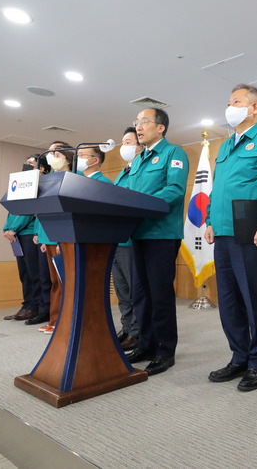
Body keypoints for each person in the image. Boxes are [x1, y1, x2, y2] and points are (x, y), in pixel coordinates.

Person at [205, 84, 257, 392]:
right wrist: (211, 220)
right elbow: (217, 189)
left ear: (253, 108)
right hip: (223, 233)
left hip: (251, 233)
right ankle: (239, 355)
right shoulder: (225, 146)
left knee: (255, 300)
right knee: (228, 301)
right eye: (229, 101)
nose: (230, 106)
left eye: (236, 101)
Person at [126, 108, 189, 376]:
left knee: (160, 294)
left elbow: (174, 190)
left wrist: (140, 206)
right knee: (140, 294)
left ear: (160, 127)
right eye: (136, 123)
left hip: (161, 234)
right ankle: (146, 343)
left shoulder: (174, 153)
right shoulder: (139, 160)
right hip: (137, 234)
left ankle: (165, 350)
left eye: (144, 122)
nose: (138, 127)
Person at [31, 141, 74, 333]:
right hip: (48, 238)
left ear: (67, 156)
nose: (51, 157)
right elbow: (44, 212)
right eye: (49, 153)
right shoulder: (48, 179)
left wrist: (60, 239)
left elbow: (68, 211)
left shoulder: (74, 178)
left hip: (63, 238)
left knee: (67, 281)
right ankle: (54, 320)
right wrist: (42, 237)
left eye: (55, 153)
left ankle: (67, 320)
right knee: (55, 282)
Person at [111, 127, 143, 351]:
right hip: (115, 239)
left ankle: (138, 332)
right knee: (122, 291)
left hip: (132, 239)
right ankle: (127, 327)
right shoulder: (124, 170)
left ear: (140, 145)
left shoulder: (142, 170)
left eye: (129, 141)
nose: (124, 146)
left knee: (134, 290)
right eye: (123, 142)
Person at [2, 155, 42, 322]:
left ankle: (35, 307)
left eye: (31, 164)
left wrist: (13, 229)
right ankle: (27, 305)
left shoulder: (38, 186)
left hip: (28, 234)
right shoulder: (19, 187)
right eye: (26, 163)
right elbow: (12, 210)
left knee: (34, 273)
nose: (27, 166)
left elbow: (27, 212)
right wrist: (7, 228)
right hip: (16, 236)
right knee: (24, 273)